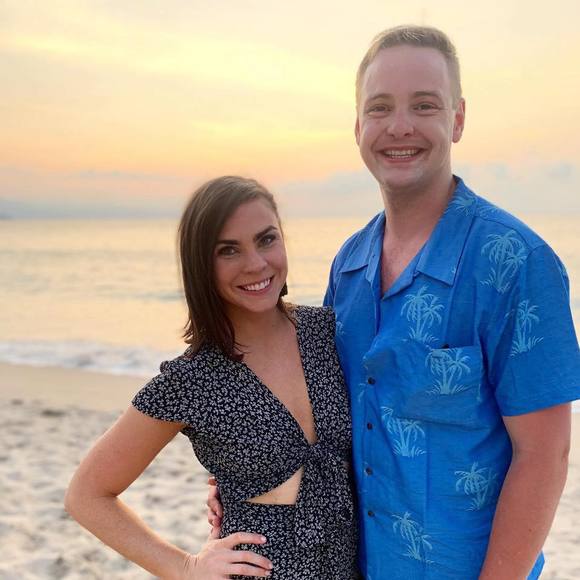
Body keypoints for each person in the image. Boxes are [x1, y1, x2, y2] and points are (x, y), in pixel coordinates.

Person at [323, 25, 580, 579]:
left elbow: (544, 455)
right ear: (358, 125)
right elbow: (326, 419)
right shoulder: (348, 265)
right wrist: (241, 479)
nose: (399, 126)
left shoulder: (516, 261)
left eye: (424, 105)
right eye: (379, 107)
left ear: (458, 119)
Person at [65, 176, 359, 580]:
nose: (256, 263)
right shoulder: (191, 380)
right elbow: (87, 495)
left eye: (266, 239)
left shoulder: (328, 332)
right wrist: (185, 566)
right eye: (228, 250)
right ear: (201, 264)